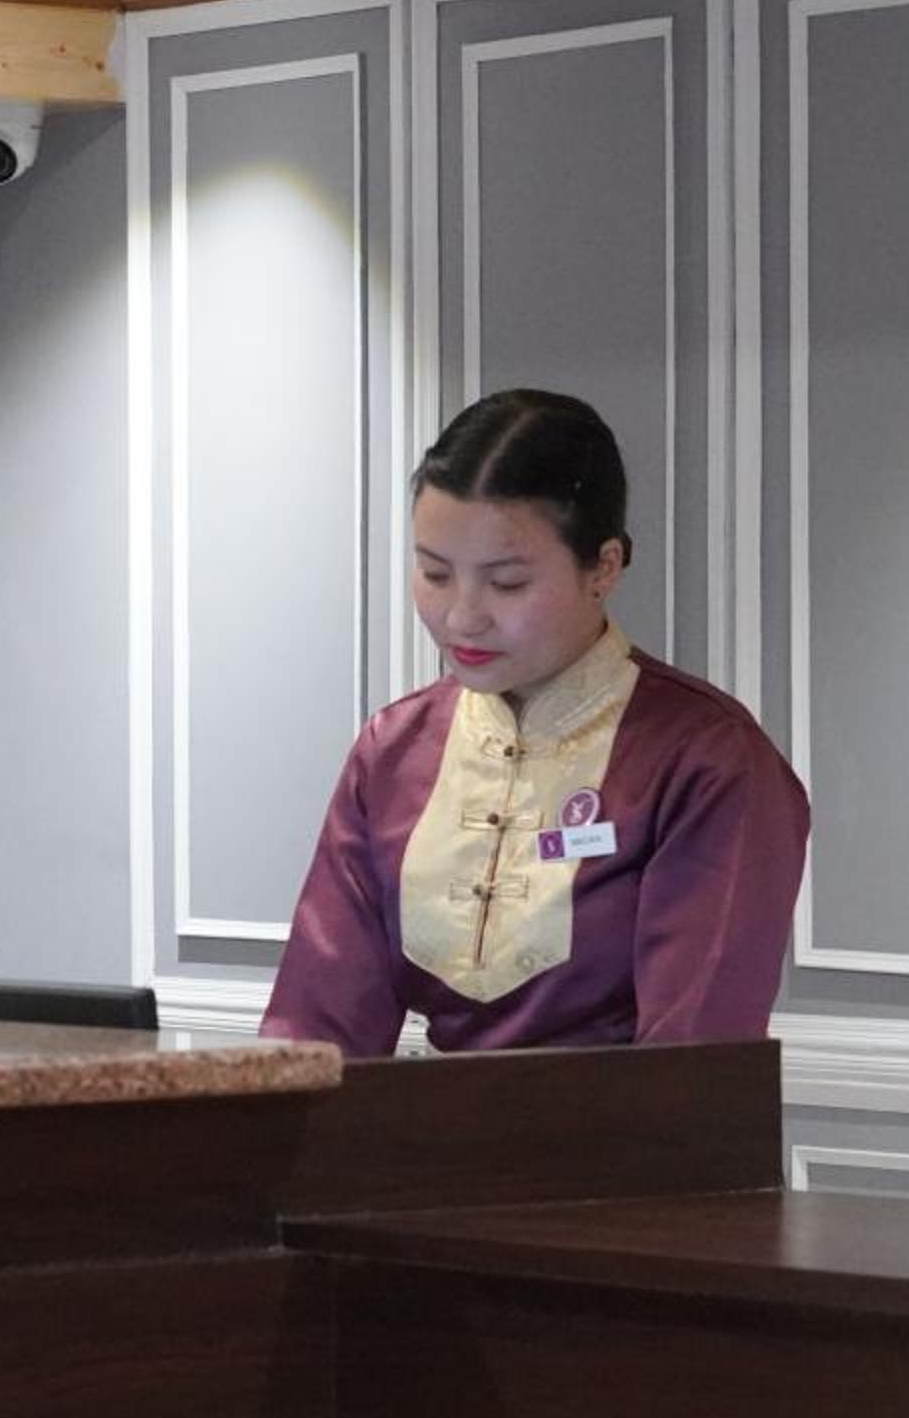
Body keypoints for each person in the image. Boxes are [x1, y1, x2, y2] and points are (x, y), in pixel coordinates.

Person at [258, 388, 808, 1055]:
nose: (463, 617)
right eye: (435, 574)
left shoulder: (708, 759)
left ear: (603, 566)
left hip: (632, 1124)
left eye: (507, 584)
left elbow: (693, 1065)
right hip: (420, 1124)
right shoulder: (392, 751)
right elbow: (315, 1034)